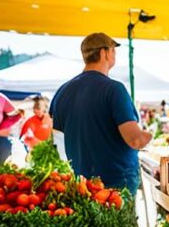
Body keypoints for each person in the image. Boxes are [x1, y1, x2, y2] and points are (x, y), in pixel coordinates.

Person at [50, 32, 152, 194]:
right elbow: (134, 140)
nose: (114, 55)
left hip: (80, 183)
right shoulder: (114, 89)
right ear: (104, 53)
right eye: (113, 50)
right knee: (119, 220)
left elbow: (57, 138)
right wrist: (149, 136)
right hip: (115, 184)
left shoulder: (63, 91)